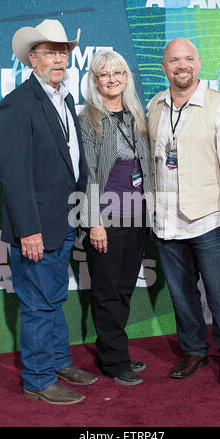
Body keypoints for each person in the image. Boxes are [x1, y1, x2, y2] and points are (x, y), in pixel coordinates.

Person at [0, 19, 97, 405]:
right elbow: (15, 175)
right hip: (36, 227)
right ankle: (38, 379)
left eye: (63, 52)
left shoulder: (63, 97)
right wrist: (29, 231)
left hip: (64, 221)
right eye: (49, 52)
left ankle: (57, 361)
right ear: (32, 60)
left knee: (53, 299)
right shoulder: (17, 104)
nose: (58, 58)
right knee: (38, 304)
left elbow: (71, 161)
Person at [147, 38, 220, 384]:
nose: (182, 66)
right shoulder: (155, 106)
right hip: (166, 222)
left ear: (199, 63)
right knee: (181, 293)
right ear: (164, 67)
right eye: (174, 60)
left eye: (188, 59)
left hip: (208, 217)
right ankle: (194, 350)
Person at [78, 50, 153, 386]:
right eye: (104, 74)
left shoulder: (138, 115)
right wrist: (93, 221)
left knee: (123, 289)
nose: (112, 79)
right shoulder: (89, 119)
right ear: (95, 81)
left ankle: (114, 350)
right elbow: (88, 173)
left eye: (118, 73)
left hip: (137, 217)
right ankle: (114, 361)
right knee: (107, 291)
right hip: (106, 219)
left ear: (126, 77)